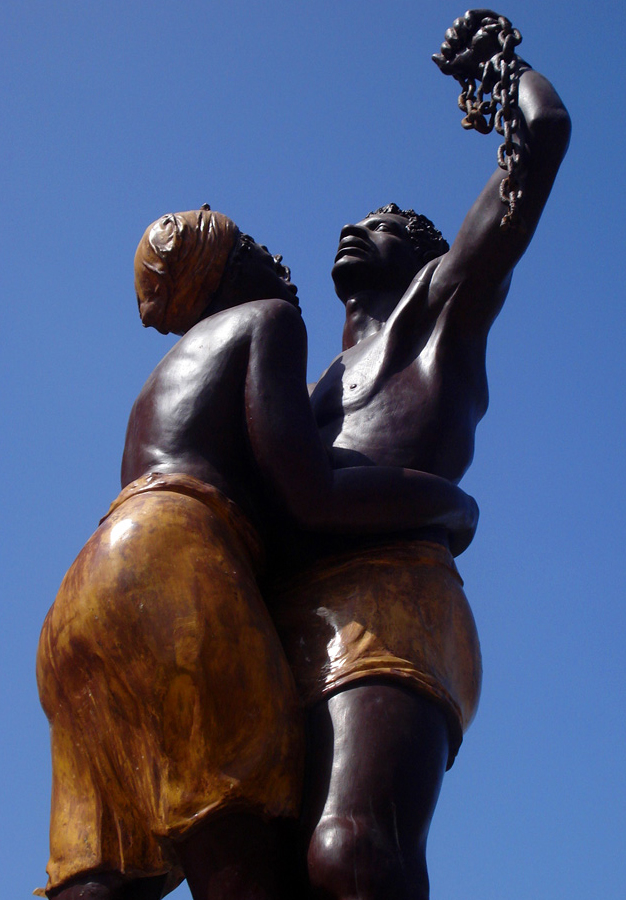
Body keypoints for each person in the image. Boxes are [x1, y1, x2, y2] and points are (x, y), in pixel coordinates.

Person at [37, 206, 478, 900]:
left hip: (83, 598)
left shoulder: (164, 380)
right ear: (227, 268)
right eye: (254, 246)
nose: (278, 258)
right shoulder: (269, 322)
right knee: (246, 860)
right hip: (172, 563)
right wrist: (448, 504)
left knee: (103, 877)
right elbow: (310, 497)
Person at [269, 11, 571, 900]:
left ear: (435, 256)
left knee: (356, 853)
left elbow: (542, 140)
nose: (362, 227)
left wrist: (497, 66)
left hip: (394, 597)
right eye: (359, 219)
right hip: (293, 610)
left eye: (391, 222)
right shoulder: (305, 381)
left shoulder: (440, 313)